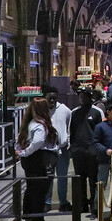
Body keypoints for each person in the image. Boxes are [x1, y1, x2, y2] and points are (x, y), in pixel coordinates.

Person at [15, 97, 60, 221]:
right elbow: (37, 142)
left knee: (31, 189)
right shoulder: (40, 125)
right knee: (40, 191)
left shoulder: (29, 123)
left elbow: (19, 141)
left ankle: (29, 220)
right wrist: (25, 153)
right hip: (39, 160)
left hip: (32, 160)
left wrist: (22, 152)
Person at [69, 88, 104, 213]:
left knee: (93, 178)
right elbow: (71, 131)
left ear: (90, 97)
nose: (82, 98)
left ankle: (94, 204)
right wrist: (72, 148)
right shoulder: (74, 112)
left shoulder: (97, 112)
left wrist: (99, 148)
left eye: (84, 96)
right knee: (80, 178)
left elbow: (102, 130)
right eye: (80, 96)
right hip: (78, 150)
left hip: (92, 150)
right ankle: (82, 203)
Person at [90, 101, 112, 218]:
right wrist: (105, 150)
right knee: (101, 184)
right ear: (108, 112)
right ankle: (96, 209)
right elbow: (95, 142)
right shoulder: (100, 126)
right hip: (104, 161)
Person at [42, 84, 72, 212]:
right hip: (47, 150)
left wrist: (67, 142)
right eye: (50, 98)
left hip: (62, 149)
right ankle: (47, 202)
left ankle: (63, 201)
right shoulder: (40, 111)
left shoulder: (65, 110)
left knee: (62, 177)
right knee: (48, 178)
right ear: (44, 98)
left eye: (54, 98)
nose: (52, 101)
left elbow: (70, 128)